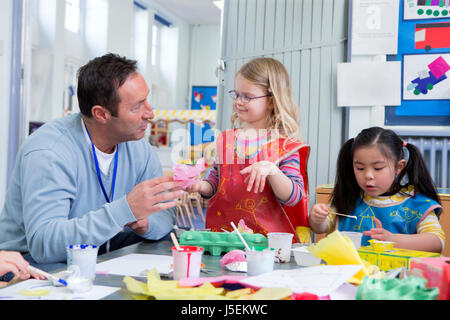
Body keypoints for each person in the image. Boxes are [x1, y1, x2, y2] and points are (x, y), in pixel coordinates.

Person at [0, 53, 185, 281]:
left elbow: (165, 215)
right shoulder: (50, 151)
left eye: (147, 100)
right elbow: (44, 244)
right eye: (137, 107)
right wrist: (125, 210)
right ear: (101, 114)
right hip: (36, 266)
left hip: (102, 254)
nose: (150, 113)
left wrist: (146, 223)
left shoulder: (138, 147)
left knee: (172, 241)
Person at [187, 57, 310, 241]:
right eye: (236, 95)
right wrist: (200, 186)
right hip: (224, 240)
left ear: (271, 101)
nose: (238, 102)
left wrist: (272, 171)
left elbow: (294, 197)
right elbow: (215, 183)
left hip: (268, 246)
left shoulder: (284, 146)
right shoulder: (225, 140)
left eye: (247, 96)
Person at [309, 126, 445, 253]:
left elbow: (437, 242)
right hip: (351, 275)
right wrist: (317, 219)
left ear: (399, 167)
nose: (368, 175)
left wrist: (392, 239)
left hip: (396, 277)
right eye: (360, 168)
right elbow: (321, 228)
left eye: (378, 168)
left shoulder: (416, 203)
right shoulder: (350, 197)